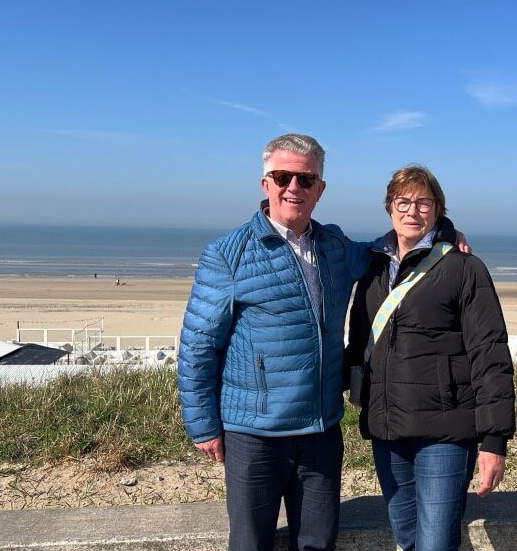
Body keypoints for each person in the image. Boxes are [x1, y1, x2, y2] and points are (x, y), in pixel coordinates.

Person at [178, 135, 468, 551]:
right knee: (250, 544)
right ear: (265, 184)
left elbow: (390, 249)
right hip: (254, 434)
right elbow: (198, 345)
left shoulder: (335, 246)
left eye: (306, 179)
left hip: (320, 431)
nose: (293, 187)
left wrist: (444, 232)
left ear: (320, 188)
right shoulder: (228, 254)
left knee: (317, 543)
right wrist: (203, 424)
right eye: (283, 177)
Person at [344, 164, 516, 551]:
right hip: (387, 431)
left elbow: (490, 355)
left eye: (424, 203)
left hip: (446, 433)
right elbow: (358, 346)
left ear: (438, 209)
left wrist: (494, 440)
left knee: (436, 544)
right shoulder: (372, 268)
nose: (412, 211)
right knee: (407, 538)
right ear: (389, 207)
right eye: (402, 202)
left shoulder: (464, 268)